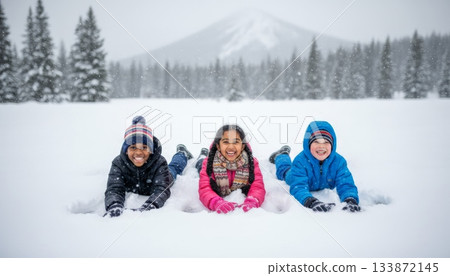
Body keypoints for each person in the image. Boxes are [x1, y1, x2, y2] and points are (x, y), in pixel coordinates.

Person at [104, 116, 193, 217]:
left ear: (150, 149)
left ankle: (182, 153)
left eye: (144, 147)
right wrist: (114, 205)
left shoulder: (159, 162)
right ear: (126, 149)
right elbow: (114, 189)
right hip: (140, 185)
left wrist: (149, 206)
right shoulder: (118, 163)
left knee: (174, 168)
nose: (138, 152)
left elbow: (162, 190)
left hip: (164, 177)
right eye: (133, 147)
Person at [269, 121, 360, 212]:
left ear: (332, 145)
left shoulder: (339, 162)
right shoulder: (300, 161)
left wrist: (350, 199)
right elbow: (298, 187)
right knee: (284, 171)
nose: (321, 146)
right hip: (294, 176)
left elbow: (346, 184)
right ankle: (282, 155)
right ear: (308, 144)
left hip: (316, 181)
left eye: (326, 142)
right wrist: (310, 201)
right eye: (316, 141)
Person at [196, 124, 266, 214]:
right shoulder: (208, 162)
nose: (231, 147)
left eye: (236, 142)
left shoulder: (252, 162)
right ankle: (202, 154)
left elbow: (257, 186)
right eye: (226, 142)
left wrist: (253, 201)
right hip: (207, 163)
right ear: (218, 146)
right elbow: (205, 188)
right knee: (200, 165)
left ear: (242, 146)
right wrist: (215, 202)